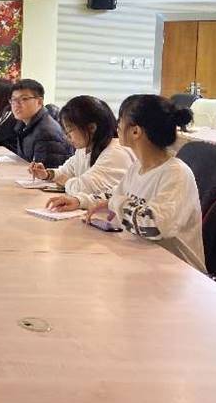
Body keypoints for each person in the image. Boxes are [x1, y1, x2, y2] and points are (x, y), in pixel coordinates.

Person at [77, 94, 206, 272]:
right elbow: (115, 195)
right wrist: (80, 201)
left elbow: (154, 226)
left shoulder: (176, 174)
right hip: (146, 264)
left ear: (136, 131)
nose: (117, 124)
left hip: (178, 274)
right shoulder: (137, 167)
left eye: (121, 119)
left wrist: (115, 202)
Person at [31, 95, 134, 208]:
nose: (67, 136)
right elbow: (65, 172)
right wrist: (47, 174)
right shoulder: (85, 149)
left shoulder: (116, 152)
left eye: (69, 130)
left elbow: (83, 189)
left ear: (92, 128)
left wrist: (66, 182)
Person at [9, 79, 73, 167]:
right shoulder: (23, 126)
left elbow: (44, 172)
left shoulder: (46, 133)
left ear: (39, 102)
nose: (16, 104)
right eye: (14, 99)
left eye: (24, 99)